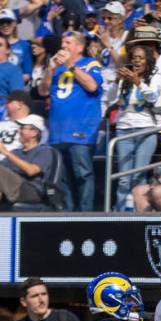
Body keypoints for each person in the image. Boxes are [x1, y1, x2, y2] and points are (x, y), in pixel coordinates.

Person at [38, 31, 101, 212]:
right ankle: (67, 215)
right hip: (58, 131)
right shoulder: (56, 67)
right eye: (63, 43)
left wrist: (70, 65)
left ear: (79, 47)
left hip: (81, 129)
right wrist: (50, 69)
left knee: (83, 174)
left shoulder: (90, 63)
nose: (63, 46)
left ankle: (86, 215)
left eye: (68, 43)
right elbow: (43, 91)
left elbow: (92, 86)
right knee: (62, 178)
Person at [109, 44, 161, 211]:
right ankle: (120, 213)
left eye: (140, 57)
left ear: (147, 61)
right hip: (124, 129)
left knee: (138, 177)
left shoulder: (155, 77)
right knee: (124, 178)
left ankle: (139, 213)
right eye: (134, 57)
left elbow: (153, 96)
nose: (136, 60)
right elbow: (110, 98)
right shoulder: (123, 79)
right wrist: (117, 81)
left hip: (145, 130)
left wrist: (138, 82)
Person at [0, 114, 56, 205]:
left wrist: (5, 152)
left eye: (22, 128)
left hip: (31, 191)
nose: (19, 131)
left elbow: (32, 171)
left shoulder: (44, 151)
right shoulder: (15, 152)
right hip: (11, 189)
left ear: (34, 132)